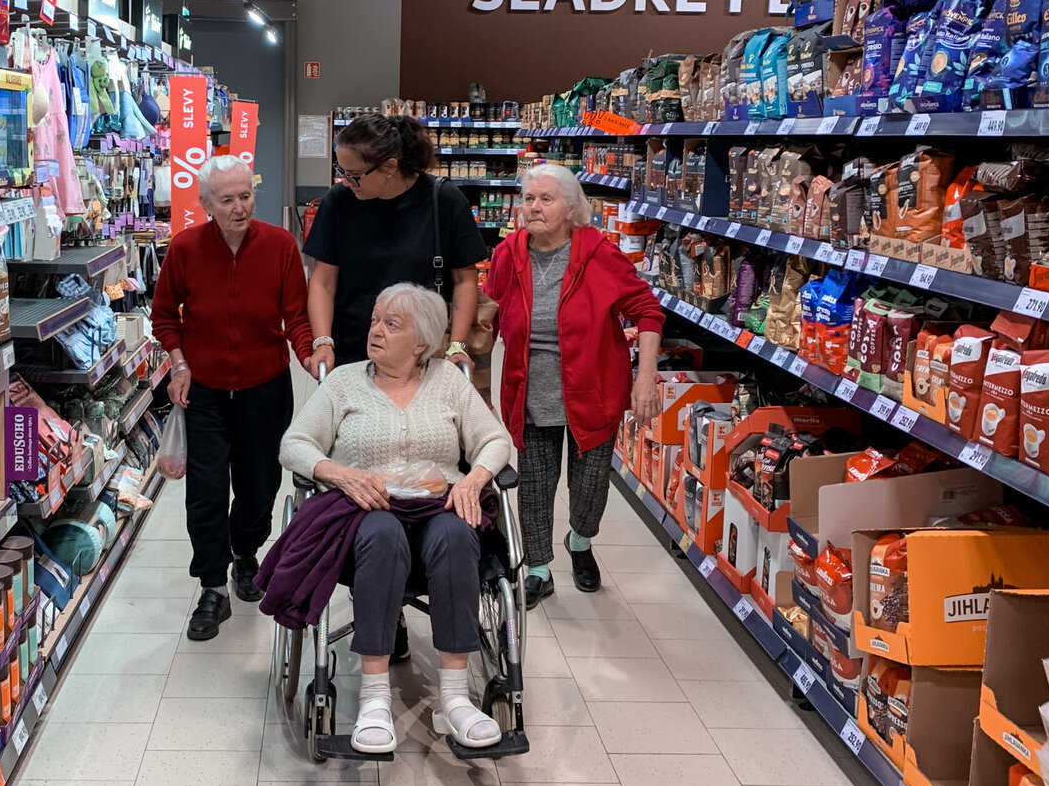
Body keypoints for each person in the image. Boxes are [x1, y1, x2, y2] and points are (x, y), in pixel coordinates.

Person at [278, 283, 514, 753]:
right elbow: (294, 443)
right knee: (383, 534)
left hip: (437, 506)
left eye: (392, 324)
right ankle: (374, 698)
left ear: (421, 341)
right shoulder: (344, 382)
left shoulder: (449, 382)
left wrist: (474, 480)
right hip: (365, 516)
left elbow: (495, 440)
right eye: (375, 320)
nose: (376, 330)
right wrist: (340, 474)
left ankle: (455, 699)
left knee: (456, 535)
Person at [484, 164, 664, 607]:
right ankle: (539, 570)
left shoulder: (599, 253)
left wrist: (645, 378)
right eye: (529, 198)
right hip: (530, 391)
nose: (534, 207)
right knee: (535, 485)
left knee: (590, 485)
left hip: (594, 391)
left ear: (571, 208)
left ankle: (580, 541)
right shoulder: (509, 253)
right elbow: (487, 315)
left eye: (546, 199)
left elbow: (648, 311)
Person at [151, 155, 314, 642]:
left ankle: (246, 553)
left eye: (246, 196)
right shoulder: (185, 249)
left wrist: (313, 359)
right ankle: (211, 585)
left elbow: (297, 317)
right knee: (205, 490)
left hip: (265, 386)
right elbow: (164, 316)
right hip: (204, 390)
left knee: (259, 484)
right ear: (206, 204)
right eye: (227, 200)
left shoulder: (281, 246)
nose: (240, 207)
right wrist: (179, 364)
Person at [304, 113, 488, 374]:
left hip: (423, 354)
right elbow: (323, 282)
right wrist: (323, 342)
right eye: (342, 171)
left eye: (355, 175)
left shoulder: (443, 200)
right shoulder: (339, 201)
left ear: (390, 166)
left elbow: (464, 280)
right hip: (353, 352)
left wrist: (456, 346)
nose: (346, 181)